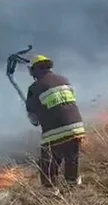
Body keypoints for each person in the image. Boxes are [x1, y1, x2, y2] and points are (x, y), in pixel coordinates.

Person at [25, 55, 85, 192]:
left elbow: (33, 119)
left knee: (48, 162)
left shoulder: (35, 88)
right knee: (71, 158)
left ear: (35, 71)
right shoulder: (64, 80)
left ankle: (50, 192)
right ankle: (73, 187)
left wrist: (37, 117)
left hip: (56, 131)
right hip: (76, 126)